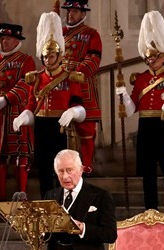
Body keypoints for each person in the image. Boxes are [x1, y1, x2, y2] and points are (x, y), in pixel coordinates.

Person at [115, 11, 164, 217]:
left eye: (154, 56)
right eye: (148, 56)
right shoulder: (139, 79)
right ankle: (151, 212)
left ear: (163, 56)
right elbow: (131, 110)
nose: (150, 60)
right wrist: (123, 97)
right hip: (145, 128)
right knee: (147, 175)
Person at [13, 12, 85, 198]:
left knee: (63, 170)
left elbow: (80, 105)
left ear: (59, 56)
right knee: (44, 168)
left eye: (51, 57)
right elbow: (32, 103)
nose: (47, 60)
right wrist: (25, 116)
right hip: (42, 125)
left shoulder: (69, 77)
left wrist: (73, 112)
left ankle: (65, 202)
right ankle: (47, 203)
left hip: (60, 127)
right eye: (45, 57)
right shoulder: (37, 78)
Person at [0, 23, 36, 200]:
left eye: (8, 38)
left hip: (17, 111)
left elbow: (27, 84)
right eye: (2, 38)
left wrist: (8, 98)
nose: (4, 42)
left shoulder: (26, 60)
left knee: (20, 154)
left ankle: (22, 192)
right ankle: (0, 195)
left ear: (17, 40)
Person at [61, 0, 102, 174]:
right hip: (61, 84)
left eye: (75, 11)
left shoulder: (92, 34)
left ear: (83, 14)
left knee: (86, 128)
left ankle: (86, 165)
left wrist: (77, 70)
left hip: (82, 83)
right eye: (69, 11)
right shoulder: (59, 33)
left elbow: (94, 59)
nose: (71, 14)